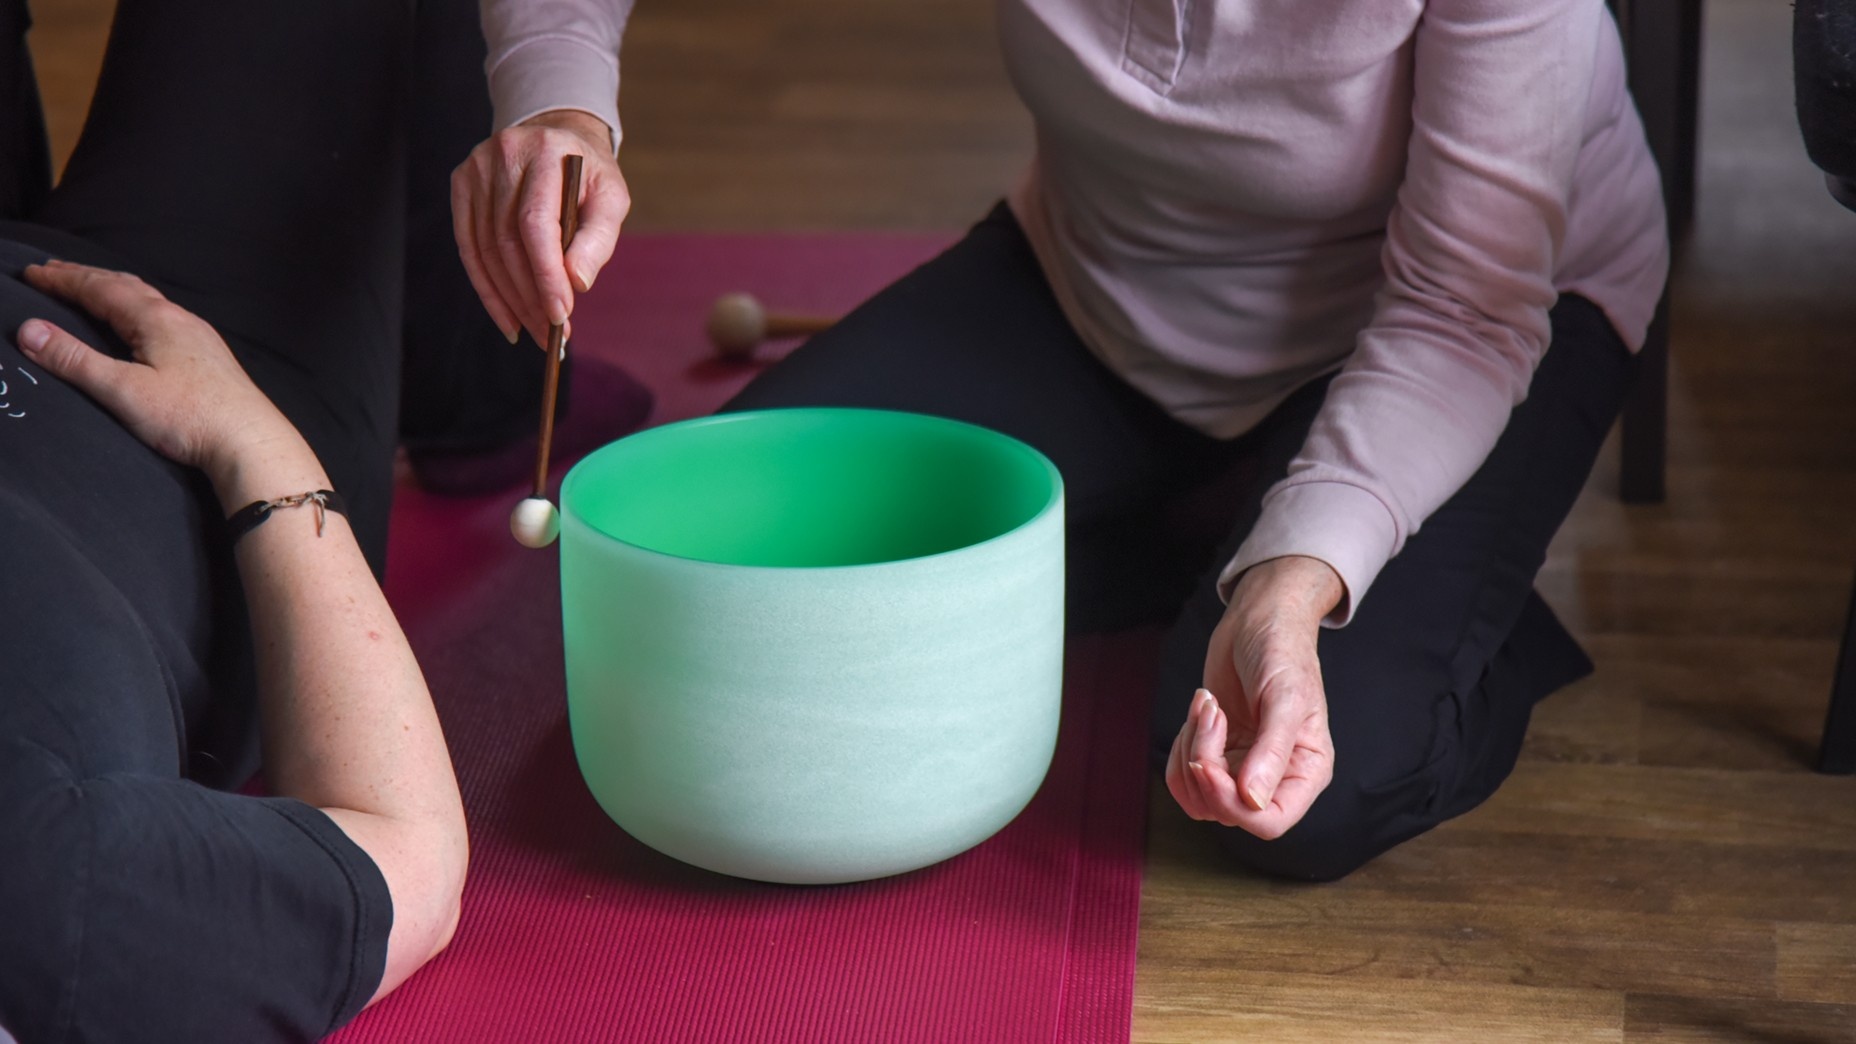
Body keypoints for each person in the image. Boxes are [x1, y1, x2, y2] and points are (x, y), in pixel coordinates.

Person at [456, 0, 1669, 879]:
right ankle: (1218, 519)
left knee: (1302, 789)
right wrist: (560, 100)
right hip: (1098, 283)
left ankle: (1412, 591)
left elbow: (1461, 311)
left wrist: (1294, 585)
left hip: (1452, 330)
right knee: (749, 587)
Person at [0, 2, 484, 1037]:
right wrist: (249, 441)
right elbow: (408, 857)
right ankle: (478, 394)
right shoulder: (59, 903)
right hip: (192, 384)